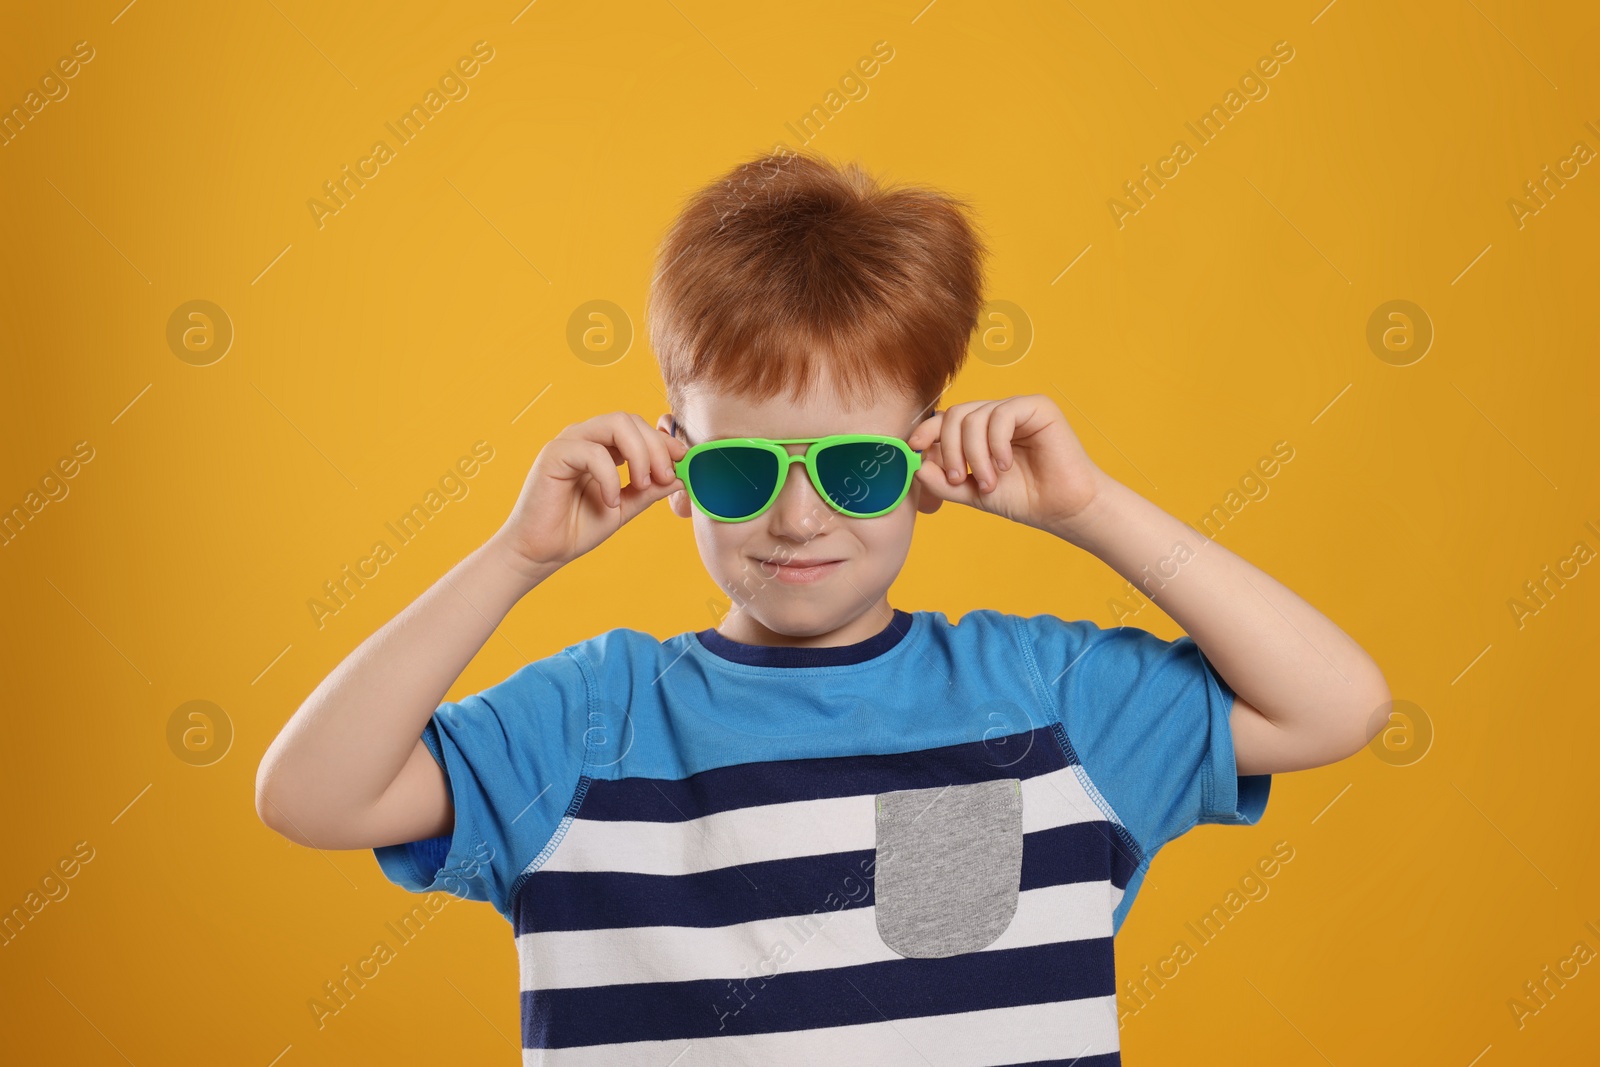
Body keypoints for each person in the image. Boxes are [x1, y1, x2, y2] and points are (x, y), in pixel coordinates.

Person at [256, 150, 1389, 1063]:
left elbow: (1334, 705)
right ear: (674, 466)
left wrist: (1090, 508)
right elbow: (309, 793)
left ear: (925, 461)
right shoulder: (591, 718)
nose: (797, 519)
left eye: (851, 468)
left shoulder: (1038, 697)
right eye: (743, 471)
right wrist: (514, 555)